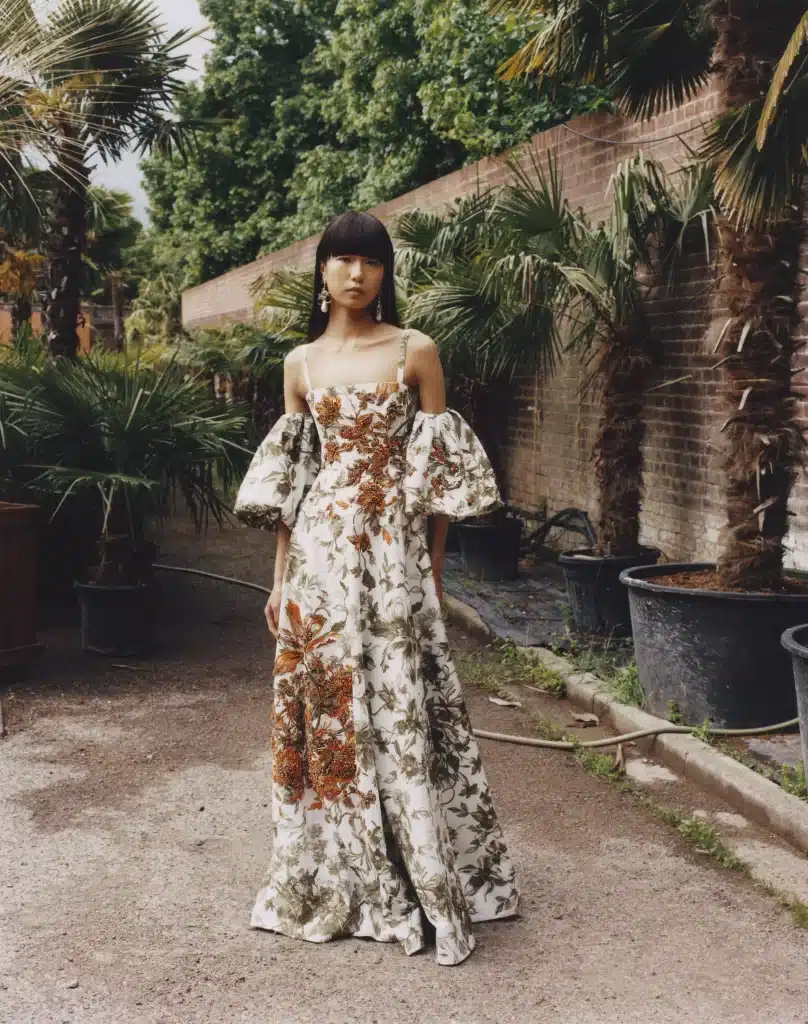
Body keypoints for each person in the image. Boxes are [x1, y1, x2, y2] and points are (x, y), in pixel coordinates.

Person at [234, 210, 520, 966]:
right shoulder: (299, 363)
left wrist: (430, 571)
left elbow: (435, 483)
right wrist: (278, 579)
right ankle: (346, 873)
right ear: (322, 271)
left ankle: (425, 869)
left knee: (405, 705)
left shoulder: (415, 351)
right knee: (325, 711)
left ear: (386, 274)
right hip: (320, 559)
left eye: (371, 262)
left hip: (391, 550)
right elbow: (295, 484)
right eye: (342, 261)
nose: (357, 275)